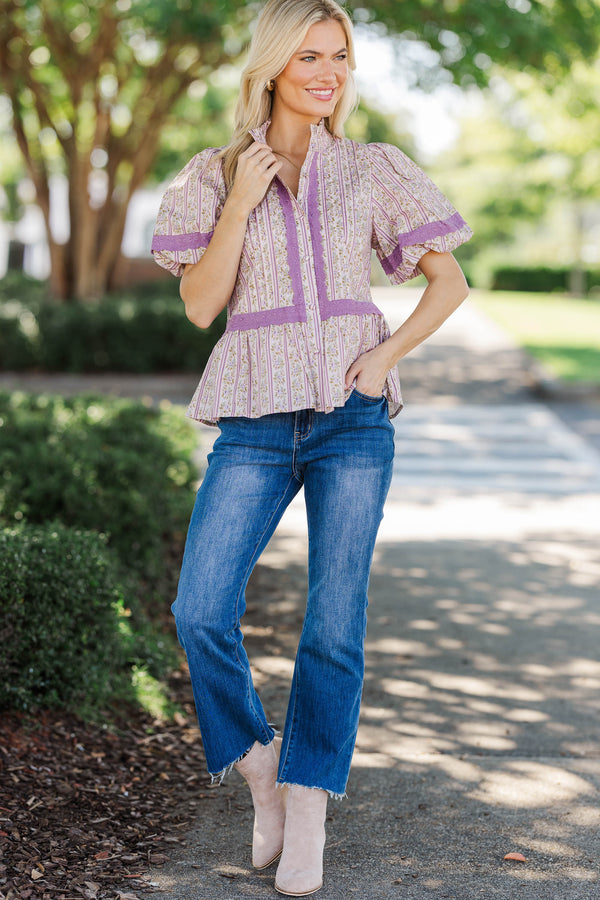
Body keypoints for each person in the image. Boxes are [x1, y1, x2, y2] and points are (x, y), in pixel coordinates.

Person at [151, 0, 472, 894]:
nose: (329, 73)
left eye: (340, 57)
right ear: (272, 67)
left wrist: (383, 358)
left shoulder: (373, 169)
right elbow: (200, 305)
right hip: (254, 421)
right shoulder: (214, 175)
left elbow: (450, 282)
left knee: (335, 621)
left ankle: (308, 802)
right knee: (198, 607)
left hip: (350, 419)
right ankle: (258, 764)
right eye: (310, 57)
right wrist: (244, 199)